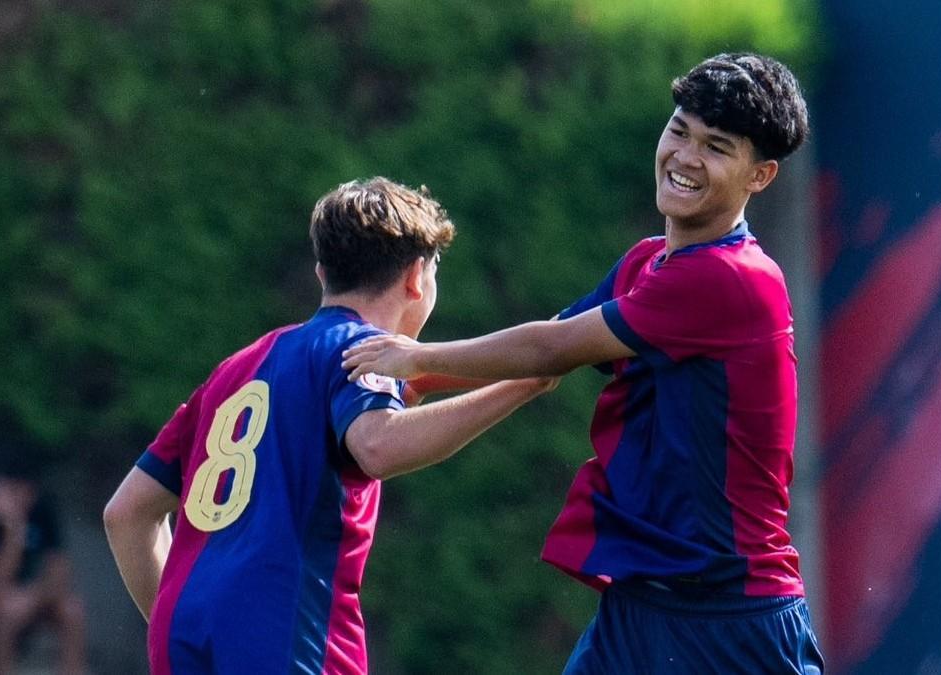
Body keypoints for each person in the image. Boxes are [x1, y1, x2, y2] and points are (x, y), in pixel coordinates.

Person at [342, 53, 825, 673]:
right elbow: (544, 359)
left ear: (760, 176)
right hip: (642, 605)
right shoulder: (647, 263)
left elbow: (549, 349)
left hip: (731, 616)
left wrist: (414, 359)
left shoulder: (732, 279)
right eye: (679, 130)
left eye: (716, 147)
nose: (684, 157)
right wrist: (416, 380)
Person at [103, 177, 556, 675]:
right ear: (416, 277)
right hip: (283, 639)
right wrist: (526, 383)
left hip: (186, 637)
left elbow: (126, 513)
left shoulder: (238, 369)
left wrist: (181, 617)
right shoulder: (359, 351)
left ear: (322, 273)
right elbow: (378, 445)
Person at [0, 455, 87, 675]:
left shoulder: (43, 512)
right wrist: (14, 529)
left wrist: (31, 596)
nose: (19, 497)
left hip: (29, 593)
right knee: (6, 611)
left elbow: (60, 570)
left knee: (72, 610)